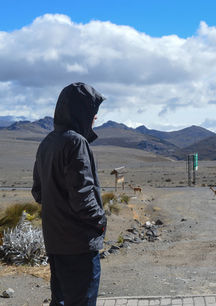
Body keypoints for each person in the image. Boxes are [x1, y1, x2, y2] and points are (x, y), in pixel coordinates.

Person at [32, 82, 107, 306]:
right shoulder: (76, 142)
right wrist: (100, 221)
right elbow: (83, 195)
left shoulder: (47, 142)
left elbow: (38, 192)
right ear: (81, 112)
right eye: (92, 113)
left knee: (61, 301)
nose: (95, 119)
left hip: (56, 241)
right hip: (79, 244)